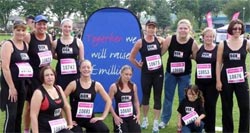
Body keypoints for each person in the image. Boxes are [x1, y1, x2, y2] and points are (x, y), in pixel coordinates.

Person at [159, 19, 199, 128]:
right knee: (168, 97)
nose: (183, 30)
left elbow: (197, 58)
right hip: (170, 74)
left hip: (185, 75)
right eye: (180, 28)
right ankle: (164, 120)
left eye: (185, 28)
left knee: (184, 98)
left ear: (189, 30)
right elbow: (159, 53)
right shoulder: (170, 39)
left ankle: (183, 121)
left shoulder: (193, 43)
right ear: (177, 29)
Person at [129, 20, 165, 132]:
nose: (151, 29)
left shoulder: (160, 40)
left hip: (158, 73)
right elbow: (131, 57)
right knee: (146, 96)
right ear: (146, 28)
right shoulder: (140, 42)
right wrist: (139, 66)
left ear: (156, 29)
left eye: (153, 27)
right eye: (149, 27)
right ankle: (145, 119)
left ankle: (155, 122)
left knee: (157, 97)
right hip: (146, 74)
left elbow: (164, 49)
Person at [216, 19, 249, 132]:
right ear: (230, 29)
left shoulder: (246, 43)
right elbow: (218, 63)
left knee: (245, 107)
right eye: (235, 28)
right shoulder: (223, 44)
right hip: (226, 80)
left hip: (241, 80)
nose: (237, 30)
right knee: (226, 107)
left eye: (239, 28)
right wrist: (218, 81)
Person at [0, 19, 32, 132]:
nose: (21, 33)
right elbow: (5, 67)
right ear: (13, 30)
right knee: (11, 116)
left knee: (18, 115)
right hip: (10, 85)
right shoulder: (8, 44)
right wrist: (11, 87)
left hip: (22, 84)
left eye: (23, 30)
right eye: (18, 30)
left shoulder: (26, 45)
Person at [23, 14, 53, 132]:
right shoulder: (29, 37)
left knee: (46, 104)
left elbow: (52, 55)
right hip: (32, 77)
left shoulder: (49, 37)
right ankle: (26, 130)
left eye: (44, 24)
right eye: (39, 24)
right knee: (30, 106)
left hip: (45, 77)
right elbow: (18, 47)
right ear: (34, 25)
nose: (42, 26)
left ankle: (41, 127)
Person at [64, 60, 111, 133]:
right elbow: (61, 101)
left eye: (88, 67)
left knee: (104, 130)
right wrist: (68, 120)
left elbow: (108, 101)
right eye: (83, 67)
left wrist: (102, 117)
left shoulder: (96, 85)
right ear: (79, 69)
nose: (86, 69)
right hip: (75, 120)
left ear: (92, 69)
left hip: (90, 119)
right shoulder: (73, 84)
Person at [30, 66, 74, 133]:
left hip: (58, 128)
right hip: (43, 129)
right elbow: (33, 115)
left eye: (51, 75)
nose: (50, 77)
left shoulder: (58, 88)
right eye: (47, 75)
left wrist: (70, 124)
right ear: (43, 77)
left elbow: (66, 106)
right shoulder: (38, 93)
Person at [195, 27, 218, 133]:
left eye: (211, 36)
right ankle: (201, 127)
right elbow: (192, 56)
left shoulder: (218, 49)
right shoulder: (199, 47)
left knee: (211, 106)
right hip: (199, 82)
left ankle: (210, 129)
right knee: (200, 105)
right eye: (207, 36)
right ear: (203, 37)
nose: (209, 38)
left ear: (214, 37)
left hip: (212, 84)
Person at [52, 18, 84, 90]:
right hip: (61, 74)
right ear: (61, 27)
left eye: (69, 27)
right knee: (60, 95)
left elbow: (81, 59)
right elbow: (51, 56)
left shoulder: (78, 42)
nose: (67, 29)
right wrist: (62, 58)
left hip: (75, 74)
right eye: (65, 26)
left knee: (75, 96)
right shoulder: (55, 43)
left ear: (72, 28)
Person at [108, 65, 141, 133]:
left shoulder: (133, 86)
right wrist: (115, 117)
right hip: (120, 117)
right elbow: (109, 103)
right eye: (126, 74)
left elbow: (136, 101)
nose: (128, 76)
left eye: (130, 75)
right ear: (121, 73)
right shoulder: (114, 87)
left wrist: (138, 114)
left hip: (132, 116)